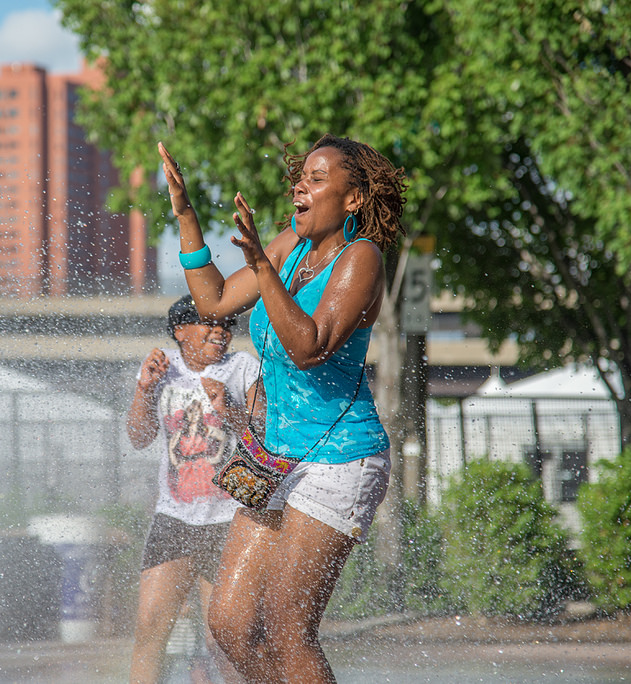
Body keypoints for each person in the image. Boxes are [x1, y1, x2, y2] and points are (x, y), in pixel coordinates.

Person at [158, 133, 406, 683]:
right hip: (277, 458)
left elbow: (310, 347)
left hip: (341, 459)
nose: (301, 185)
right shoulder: (286, 247)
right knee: (230, 621)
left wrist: (263, 268)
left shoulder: (360, 258)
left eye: (318, 179)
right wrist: (186, 213)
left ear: (353, 200)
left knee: (287, 624)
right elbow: (214, 301)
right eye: (302, 177)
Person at [126, 295, 259, 684]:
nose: (221, 330)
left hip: (231, 521)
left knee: (226, 640)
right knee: (149, 630)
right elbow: (139, 437)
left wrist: (229, 410)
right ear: (180, 331)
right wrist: (144, 389)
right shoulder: (160, 367)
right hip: (175, 519)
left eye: (227, 323)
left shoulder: (242, 367)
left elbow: (266, 435)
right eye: (209, 322)